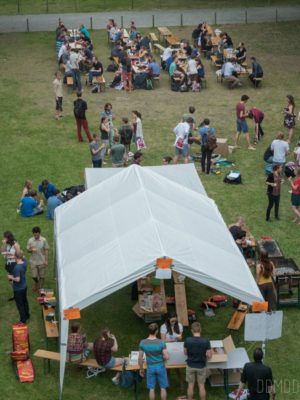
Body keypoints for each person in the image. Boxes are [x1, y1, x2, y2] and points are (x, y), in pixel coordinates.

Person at [139, 323, 169, 400]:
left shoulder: (142, 342)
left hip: (150, 367)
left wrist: (141, 369)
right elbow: (167, 356)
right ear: (156, 331)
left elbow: (140, 358)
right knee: (163, 388)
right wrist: (164, 358)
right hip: (160, 366)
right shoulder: (161, 342)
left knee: (151, 388)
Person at [184, 321, 212, 400]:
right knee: (201, 386)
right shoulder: (206, 341)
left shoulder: (187, 340)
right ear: (200, 330)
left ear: (192, 330)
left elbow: (185, 352)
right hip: (201, 366)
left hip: (190, 365)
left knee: (190, 385)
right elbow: (209, 355)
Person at [8, 252, 30, 324]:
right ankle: (27, 315)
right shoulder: (24, 262)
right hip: (24, 286)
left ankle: (23, 320)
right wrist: (15, 256)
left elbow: (18, 279)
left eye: (14, 256)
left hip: (18, 289)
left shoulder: (17, 267)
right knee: (25, 302)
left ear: (16, 257)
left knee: (20, 304)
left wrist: (11, 277)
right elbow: (23, 256)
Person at [27, 226, 49, 291]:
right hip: (33, 261)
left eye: (37, 235)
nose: (35, 236)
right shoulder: (30, 240)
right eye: (34, 235)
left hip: (42, 261)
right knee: (34, 276)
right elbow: (28, 250)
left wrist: (46, 260)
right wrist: (30, 250)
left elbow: (46, 250)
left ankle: (41, 288)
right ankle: (36, 283)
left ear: (39, 233)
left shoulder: (44, 240)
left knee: (42, 276)